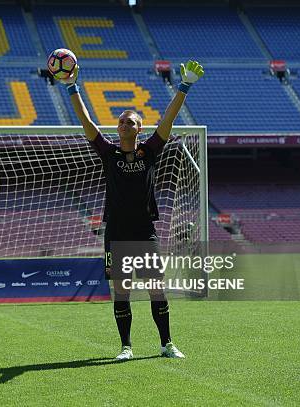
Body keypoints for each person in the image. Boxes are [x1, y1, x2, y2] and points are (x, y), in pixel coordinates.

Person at [59, 60, 204, 360]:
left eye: (131, 122)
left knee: (156, 290)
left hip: (144, 231)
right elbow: (86, 121)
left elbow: (168, 119)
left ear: (139, 129)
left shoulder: (148, 152)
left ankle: (167, 344)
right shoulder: (108, 153)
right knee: (122, 292)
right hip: (116, 232)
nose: (124, 125)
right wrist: (72, 87)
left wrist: (184, 87)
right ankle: (126, 347)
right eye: (122, 121)